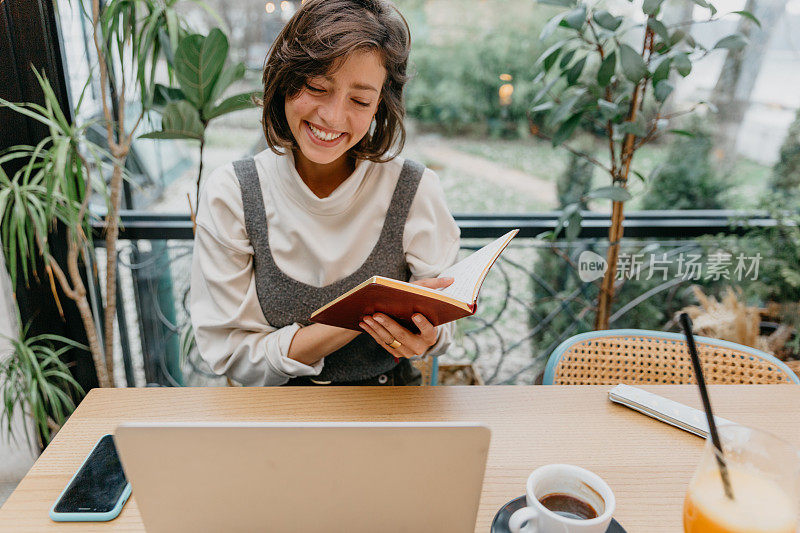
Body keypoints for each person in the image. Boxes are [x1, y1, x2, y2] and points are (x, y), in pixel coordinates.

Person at [190, 0, 460, 386]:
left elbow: (442, 324)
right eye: (317, 87)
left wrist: (427, 335)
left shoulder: (414, 189)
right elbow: (233, 354)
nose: (332, 117)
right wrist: (369, 312)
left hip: (389, 410)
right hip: (280, 420)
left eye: (360, 101)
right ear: (284, 81)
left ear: (379, 107)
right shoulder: (232, 193)